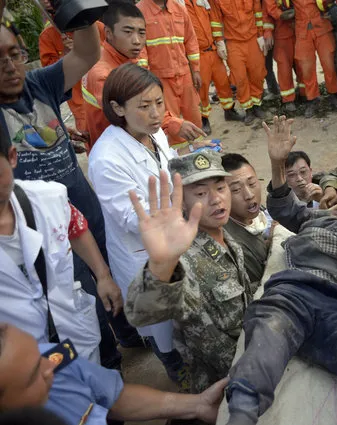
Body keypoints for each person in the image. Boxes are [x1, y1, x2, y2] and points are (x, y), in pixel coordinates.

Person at [220, 116, 337, 425]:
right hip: (294, 292)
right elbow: (282, 207)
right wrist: (277, 164)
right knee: (268, 335)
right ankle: (240, 415)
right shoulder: (317, 217)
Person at [0, 17, 127, 368]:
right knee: (77, 297)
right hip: (42, 230)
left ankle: (129, 333)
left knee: (109, 269)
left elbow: (87, 51)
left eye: (15, 54)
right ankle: (105, 362)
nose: (10, 67)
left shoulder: (39, 83)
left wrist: (73, 11)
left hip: (81, 204)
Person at [88, 63, 187, 388]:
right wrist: (178, 216)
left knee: (184, 321)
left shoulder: (153, 133)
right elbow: (134, 220)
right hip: (142, 256)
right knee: (165, 335)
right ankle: (179, 376)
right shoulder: (106, 158)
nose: (156, 113)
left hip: (170, 242)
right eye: (144, 106)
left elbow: (168, 168)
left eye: (159, 102)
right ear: (117, 108)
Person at [126, 152, 259, 393]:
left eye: (221, 187)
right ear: (182, 203)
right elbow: (141, 313)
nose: (216, 199)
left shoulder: (225, 236)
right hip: (220, 384)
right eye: (200, 193)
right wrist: (161, 265)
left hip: (250, 360)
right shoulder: (185, 258)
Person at [0, 123, 120, 363]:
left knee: (96, 384)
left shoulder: (47, 198)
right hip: (18, 363)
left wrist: (103, 275)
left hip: (72, 328)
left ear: (12, 157)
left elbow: (75, 226)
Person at [0, 323, 229, 425]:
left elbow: (115, 396)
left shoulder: (52, 358)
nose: (50, 368)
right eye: (32, 377)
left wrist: (198, 404)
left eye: (38, 352)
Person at [83, 1, 207, 154]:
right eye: (128, 32)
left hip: (133, 141)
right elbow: (135, 113)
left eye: (141, 33)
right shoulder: (104, 74)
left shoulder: (127, 60)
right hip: (116, 152)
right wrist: (174, 124)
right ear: (108, 33)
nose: (137, 41)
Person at [138, 0, 202, 146]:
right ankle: (178, 155)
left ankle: (199, 150)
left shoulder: (178, 8)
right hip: (159, 78)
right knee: (171, 122)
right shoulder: (140, 11)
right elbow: (140, 50)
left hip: (184, 73)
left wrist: (196, 69)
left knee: (193, 114)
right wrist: (145, 80)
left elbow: (191, 40)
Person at [38, 20, 106, 148]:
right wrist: (66, 56)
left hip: (107, 95)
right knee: (96, 145)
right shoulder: (48, 35)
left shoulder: (97, 26)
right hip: (81, 105)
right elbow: (51, 80)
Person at [185, 0, 243, 132]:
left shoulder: (202, 1)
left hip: (212, 49)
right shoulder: (178, 5)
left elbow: (214, 20)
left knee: (223, 82)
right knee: (202, 88)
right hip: (197, 54)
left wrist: (219, 41)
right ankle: (203, 119)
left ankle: (229, 110)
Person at [210, 0, 268, 125]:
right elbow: (216, 19)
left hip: (252, 39)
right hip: (233, 43)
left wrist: (260, 34)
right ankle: (248, 109)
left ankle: (257, 105)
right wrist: (219, 42)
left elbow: (258, 12)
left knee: (257, 74)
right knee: (239, 78)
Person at [289, 0, 337, 117]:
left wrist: (332, 9)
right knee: (306, 68)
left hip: (322, 26)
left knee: (329, 64)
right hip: (302, 30)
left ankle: (333, 94)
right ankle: (312, 99)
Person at [221, 153, 272, 285]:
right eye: (236, 190)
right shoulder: (232, 245)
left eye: (252, 183)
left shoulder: (256, 214)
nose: (249, 195)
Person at [263, 0, 299, 113]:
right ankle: (288, 100)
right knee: (284, 68)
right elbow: (267, 14)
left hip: (299, 31)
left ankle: (306, 94)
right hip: (281, 35)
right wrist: (268, 32)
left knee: (302, 65)